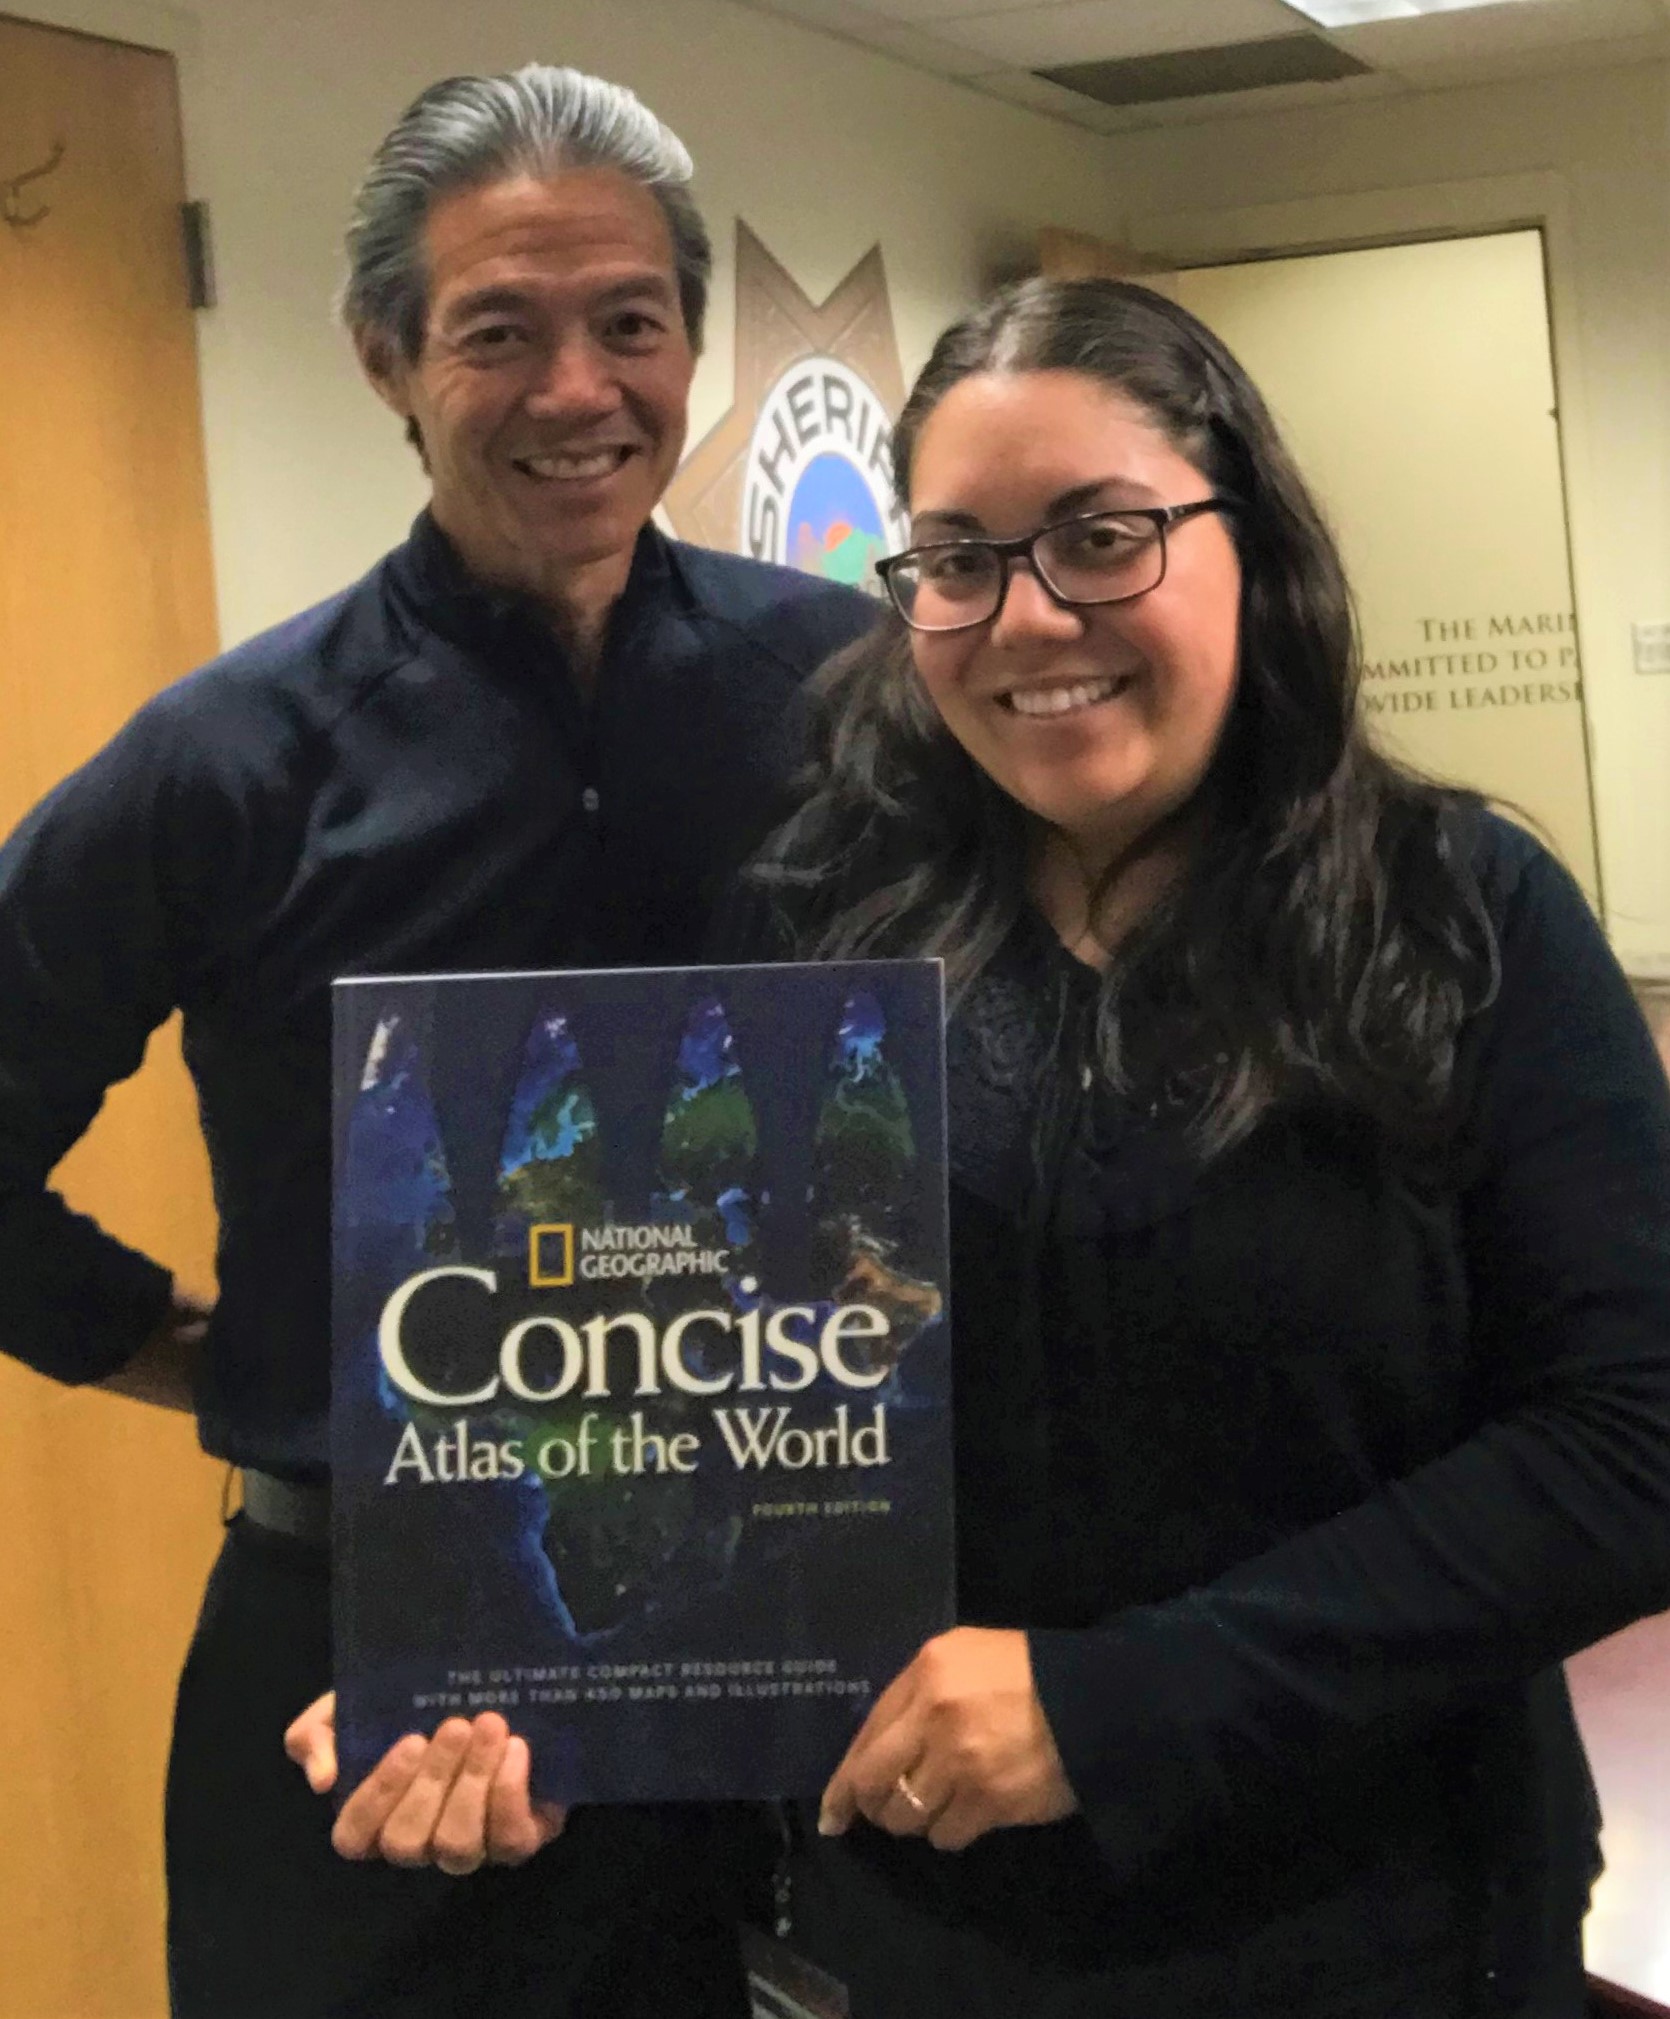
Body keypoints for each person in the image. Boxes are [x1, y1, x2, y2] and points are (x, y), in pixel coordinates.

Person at [298, 277, 1670, 2017]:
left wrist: (1111, 1708)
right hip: (922, 1938)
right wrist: (501, 1675)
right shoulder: (814, 935)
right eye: (955, 558)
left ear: (1250, 542)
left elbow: (1632, 1445)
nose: (1026, 620)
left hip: (1382, 1919)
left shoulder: (1460, 920)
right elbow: (708, 1408)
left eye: (1100, 536)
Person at [0, 62, 872, 2019]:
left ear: (691, 350)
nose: (580, 392)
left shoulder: (847, 699)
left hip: (789, 1612)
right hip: (352, 1665)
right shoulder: (230, 760)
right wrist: (187, 1344)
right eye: (500, 330)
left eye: (631, 324)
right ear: (387, 354)